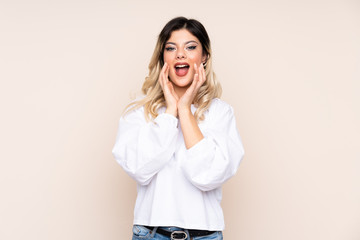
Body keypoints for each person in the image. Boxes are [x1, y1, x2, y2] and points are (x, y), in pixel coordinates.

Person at [112, 16, 244, 240]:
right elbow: (139, 169)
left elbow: (209, 176)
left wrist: (185, 110)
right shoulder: (137, 113)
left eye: (190, 47)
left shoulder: (221, 113)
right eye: (171, 48)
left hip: (205, 236)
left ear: (204, 57)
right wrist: (170, 112)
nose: (180, 54)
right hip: (151, 234)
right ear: (163, 57)